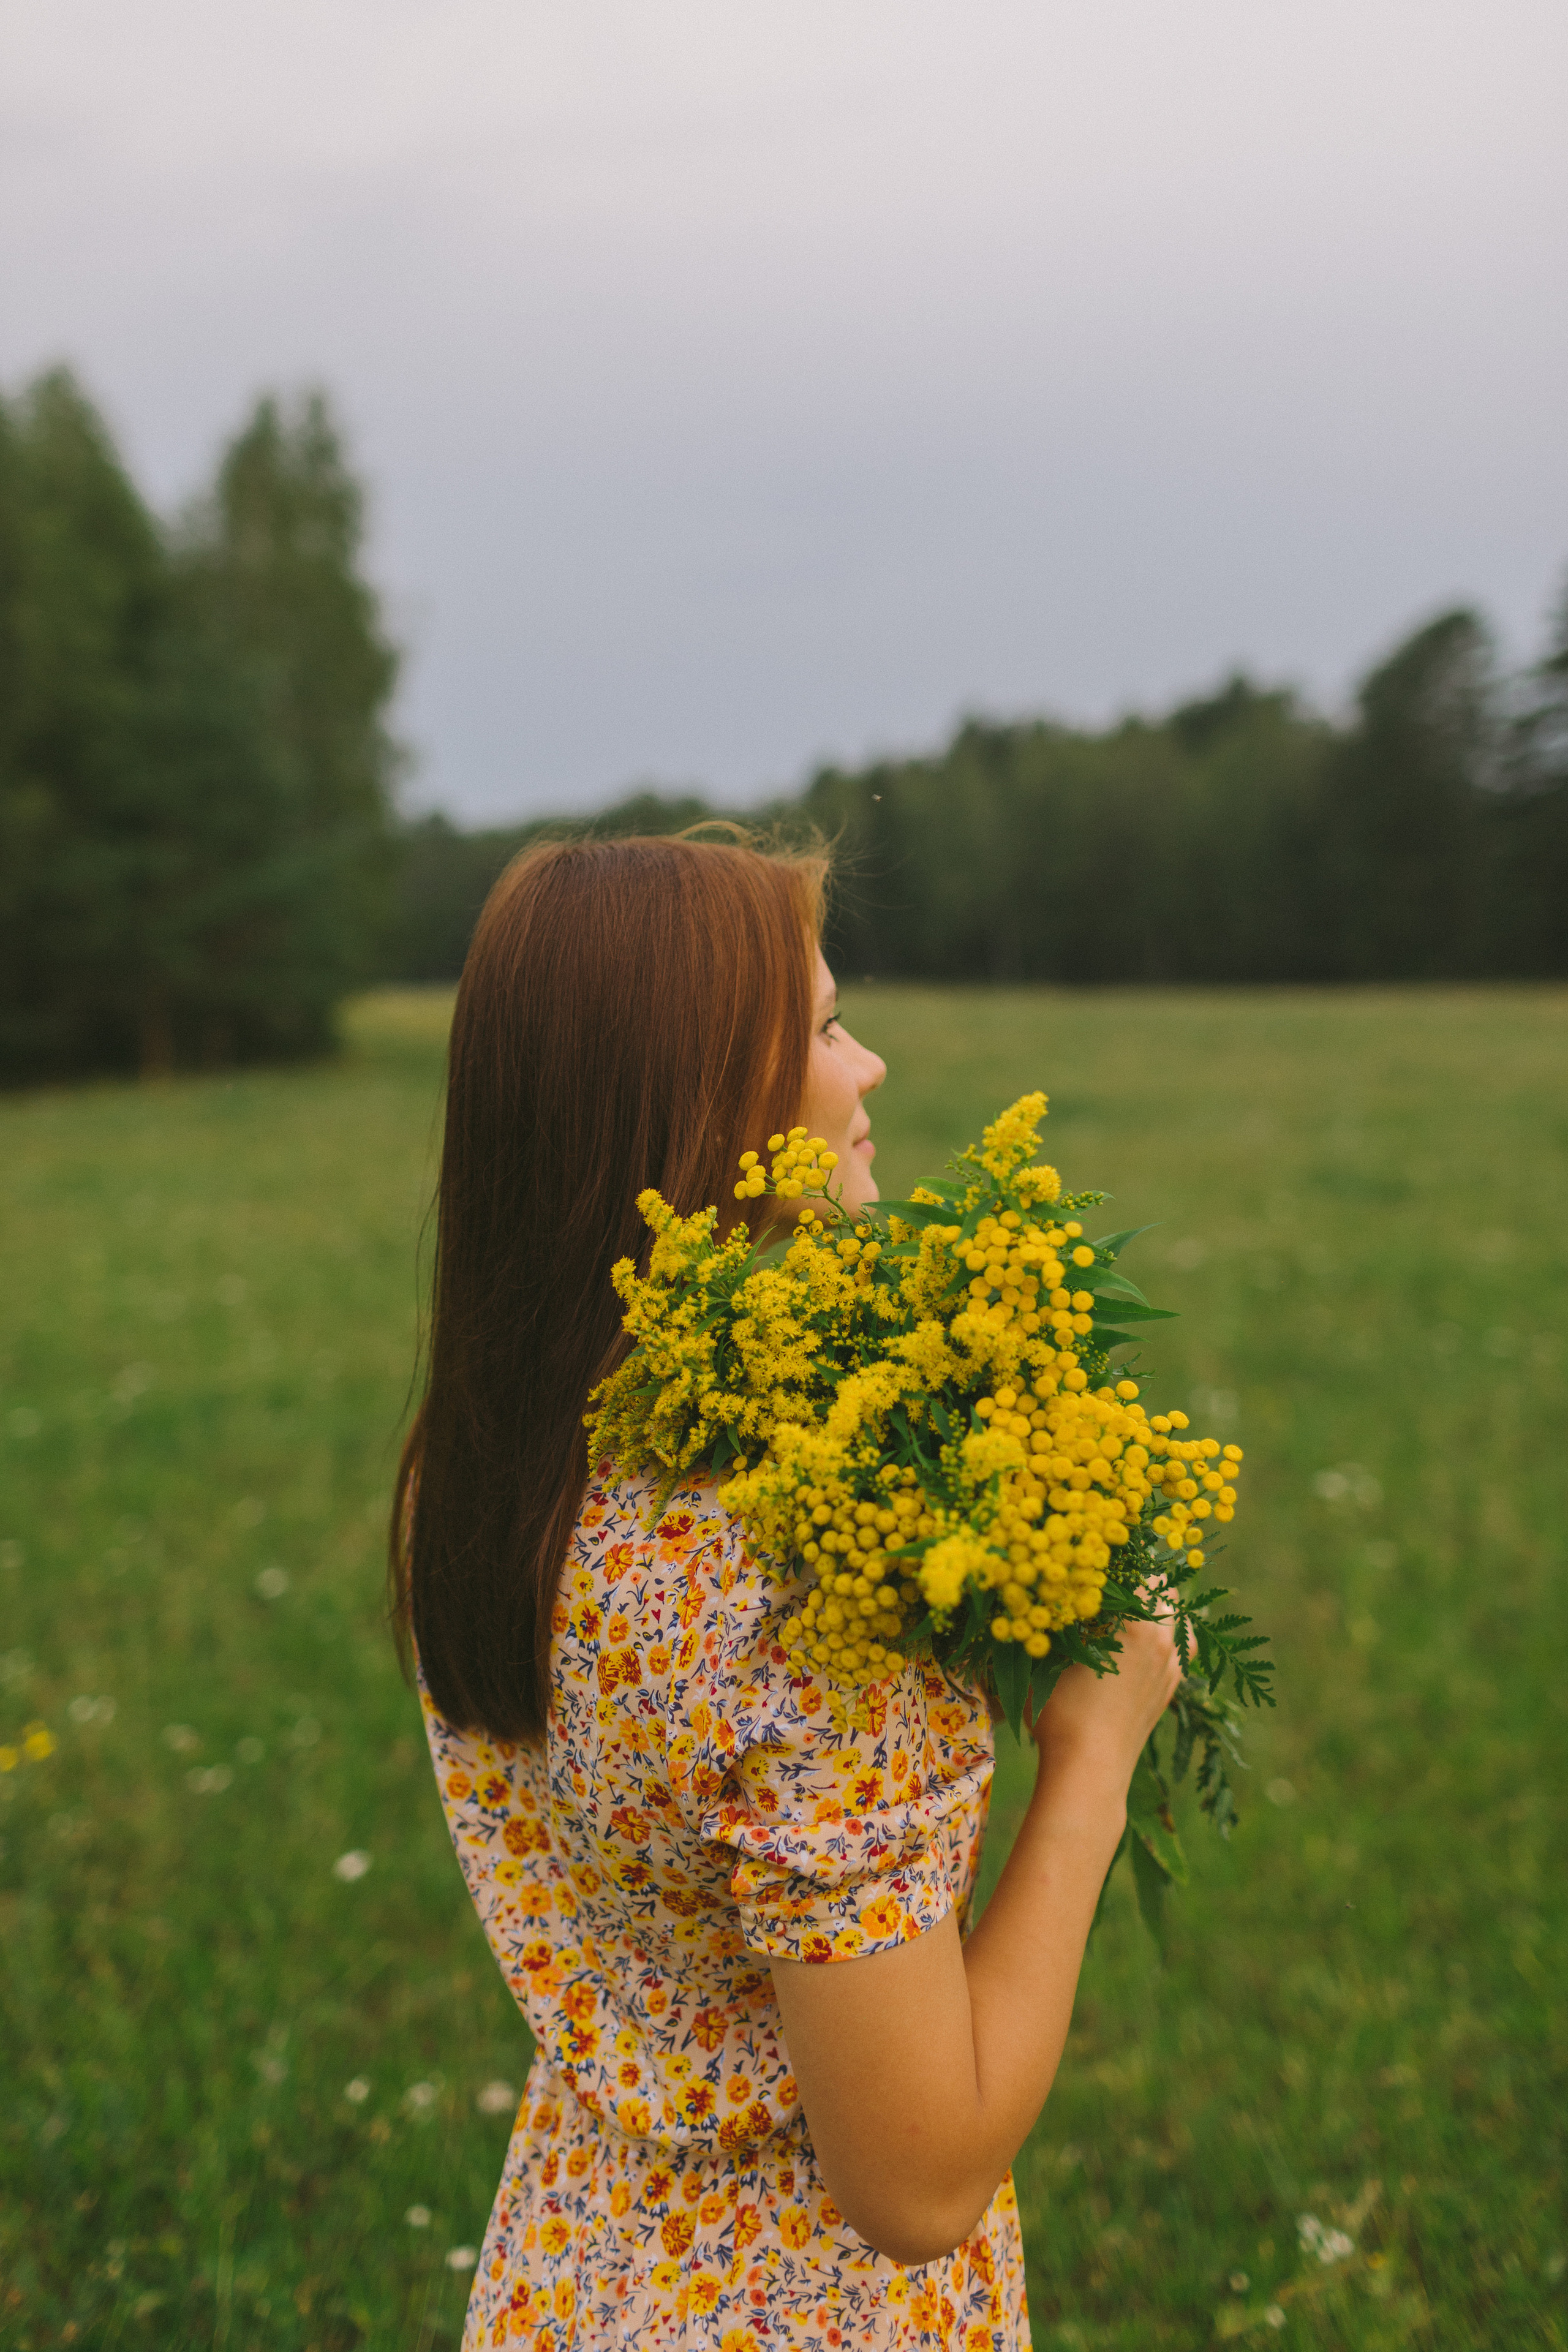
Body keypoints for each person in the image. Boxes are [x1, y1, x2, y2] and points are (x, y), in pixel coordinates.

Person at [392, 834, 1180, 2351]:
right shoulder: (805, 1600)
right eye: (821, 1029)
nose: (868, 1063)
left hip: (577, 2265)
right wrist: (1093, 1753)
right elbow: (916, 2183)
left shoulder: (499, 1462)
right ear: (699, 1106)